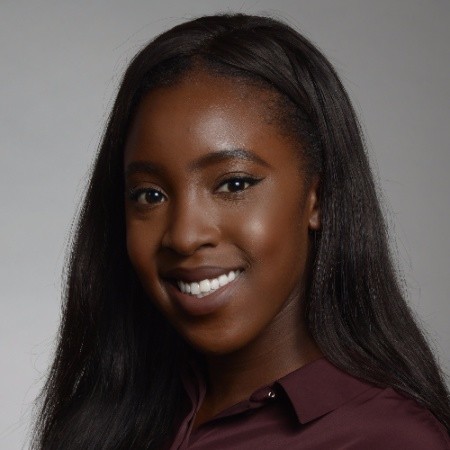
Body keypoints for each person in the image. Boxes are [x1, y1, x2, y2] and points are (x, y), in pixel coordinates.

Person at [33, 13, 450, 449]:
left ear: (318, 198)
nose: (184, 235)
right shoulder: (111, 415)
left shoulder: (386, 439)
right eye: (150, 195)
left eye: (234, 184)